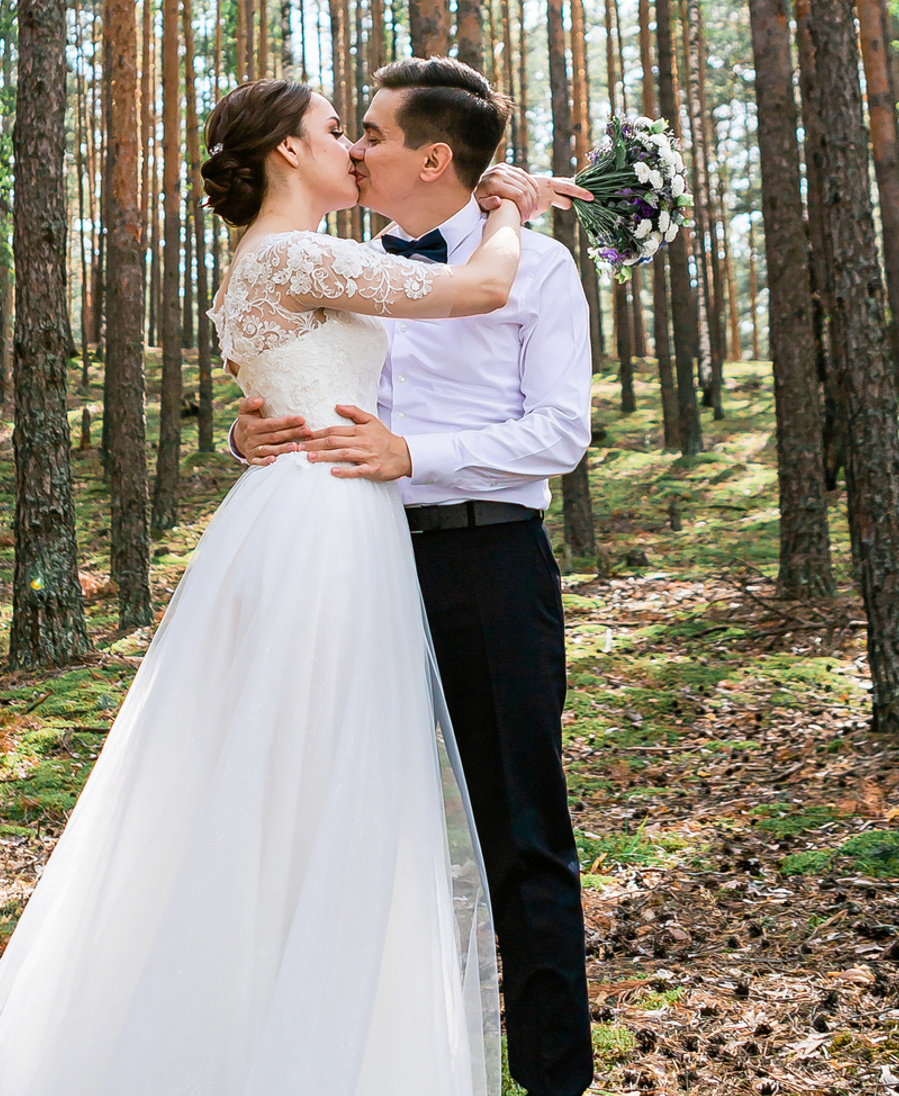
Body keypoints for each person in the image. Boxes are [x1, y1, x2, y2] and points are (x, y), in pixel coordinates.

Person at [0, 76, 523, 1096]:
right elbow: (479, 290)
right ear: (289, 153)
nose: (350, 144)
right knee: (323, 779)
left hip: (291, 517)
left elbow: (302, 369)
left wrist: (244, 427)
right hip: (327, 529)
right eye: (336, 130)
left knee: (274, 778)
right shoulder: (299, 254)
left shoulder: (270, 262)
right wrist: (507, 213)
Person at [232, 56, 595, 1096]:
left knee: (520, 829)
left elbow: (560, 433)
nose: (355, 148)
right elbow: (307, 388)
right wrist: (247, 434)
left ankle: (553, 1081)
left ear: (431, 157)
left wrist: (415, 457)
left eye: (376, 135)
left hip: (488, 564)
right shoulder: (344, 263)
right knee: (351, 819)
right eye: (350, 132)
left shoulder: (538, 268)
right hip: (353, 565)